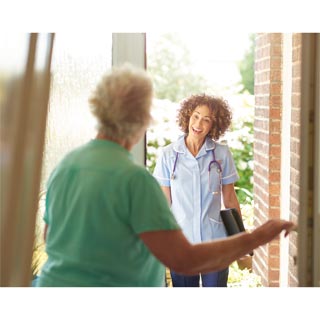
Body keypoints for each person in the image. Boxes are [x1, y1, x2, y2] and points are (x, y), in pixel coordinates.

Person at [37, 64, 295, 287]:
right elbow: (183, 258)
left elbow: (50, 237)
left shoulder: (66, 166)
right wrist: (258, 237)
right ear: (141, 119)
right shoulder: (136, 179)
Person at [153, 94, 245, 287]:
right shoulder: (169, 155)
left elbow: (229, 198)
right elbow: (163, 202)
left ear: (214, 125)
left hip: (215, 242)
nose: (198, 123)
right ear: (187, 116)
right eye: (195, 116)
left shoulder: (221, 154)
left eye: (206, 119)